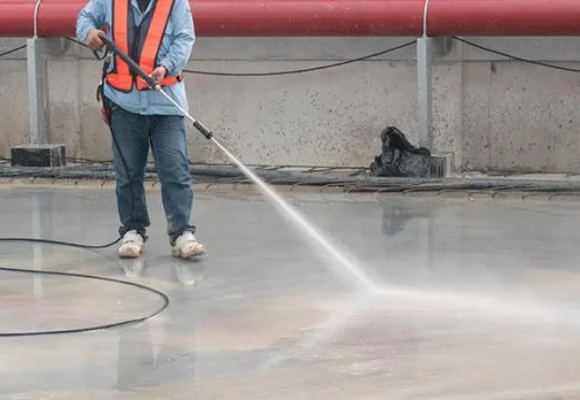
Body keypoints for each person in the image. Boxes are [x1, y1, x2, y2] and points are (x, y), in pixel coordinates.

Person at [76, 0, 205, 259]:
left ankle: (182, 234)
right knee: (128, 173)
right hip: (124, 104)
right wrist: (88, 33)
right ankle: (133, 231)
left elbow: (184, 38)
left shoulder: (176, 3)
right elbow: (84, 17)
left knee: (175, 171)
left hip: (165, 105)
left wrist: (166, 67)